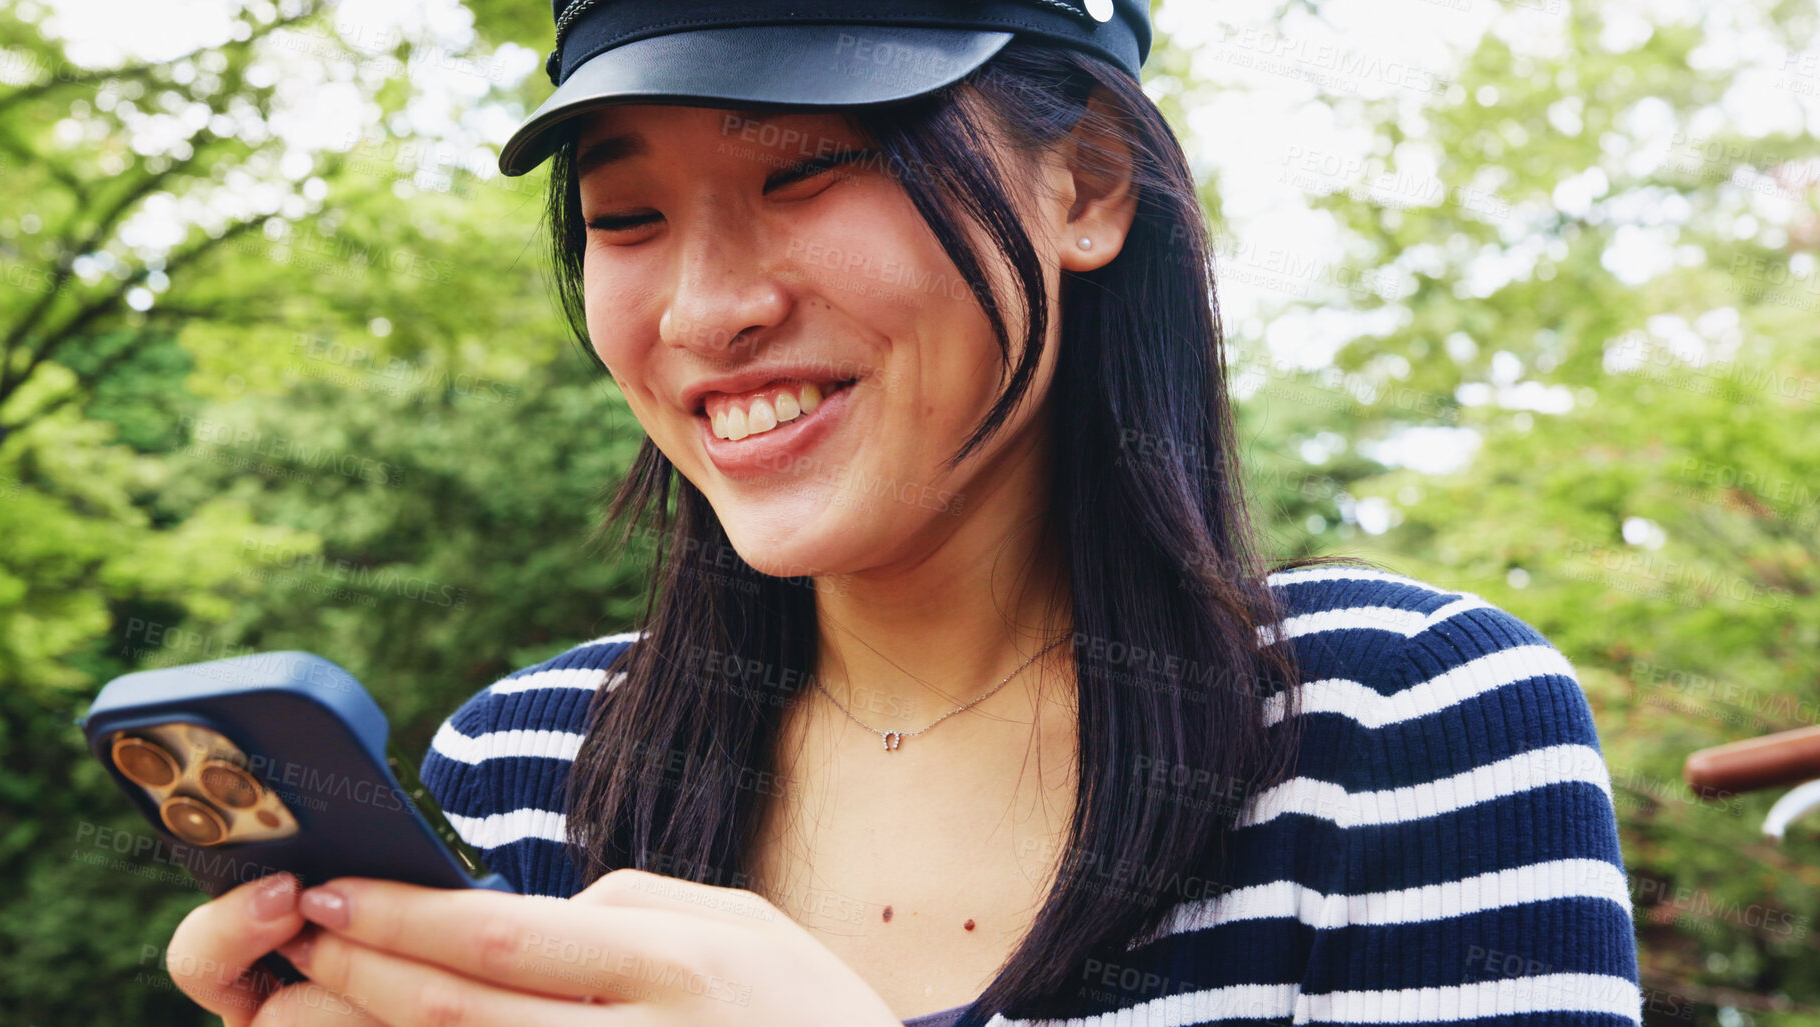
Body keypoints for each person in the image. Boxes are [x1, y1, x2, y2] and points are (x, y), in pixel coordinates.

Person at [164, 3, 1643, 1025]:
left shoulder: (1402, 724)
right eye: (627, 220)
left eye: (808, 171)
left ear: (1087, 184)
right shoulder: (531, 766)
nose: (709, 308)